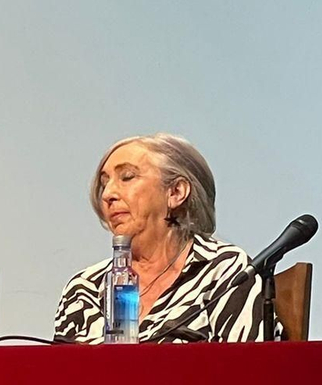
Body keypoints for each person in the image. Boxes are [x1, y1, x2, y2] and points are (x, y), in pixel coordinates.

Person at [54, 134, 269, 343]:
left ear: (176, 192)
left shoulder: (224, 271)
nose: (107, 194)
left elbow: (251, 371)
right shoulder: (83, 290)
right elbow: (57, 377)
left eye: (127, 177)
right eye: (104, 183)